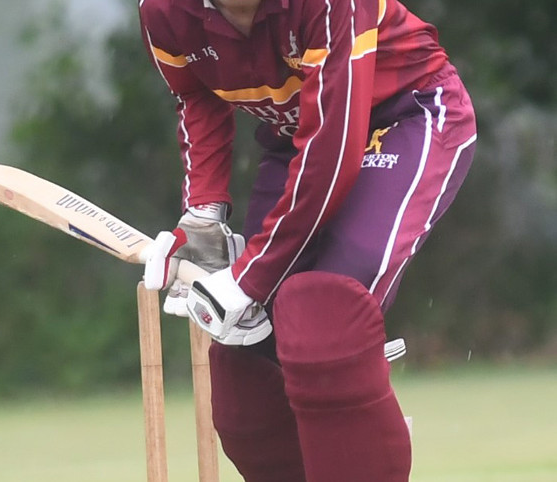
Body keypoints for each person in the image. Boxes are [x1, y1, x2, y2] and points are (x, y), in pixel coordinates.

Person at [139, 0, 477, 480]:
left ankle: (355, 406)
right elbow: (197, 96)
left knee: (324, 317)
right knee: (244, 366)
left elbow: (333, 156)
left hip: (407, 116)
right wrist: (204, 213)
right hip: (299, 136)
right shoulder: (163, 10)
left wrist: (250, 276)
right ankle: (352, 415)